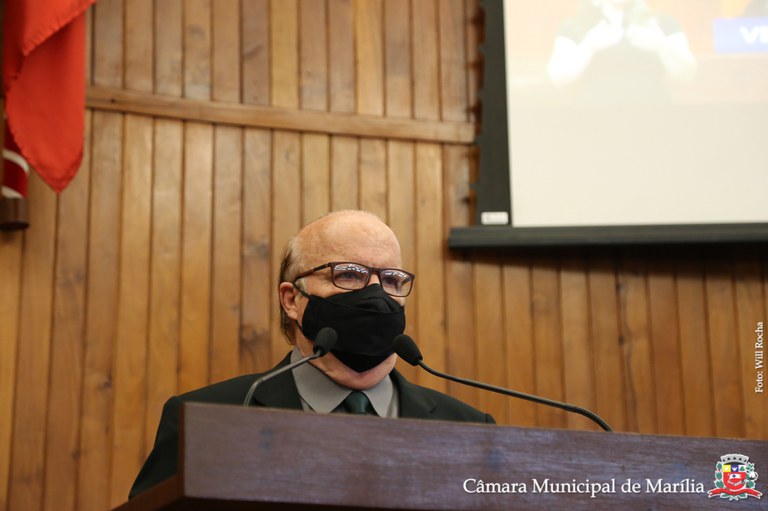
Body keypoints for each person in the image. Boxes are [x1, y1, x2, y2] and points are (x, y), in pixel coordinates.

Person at [129, 209, 494, 498]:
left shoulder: (470, 430)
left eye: (391, 279)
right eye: (348, 274)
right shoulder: (205, 422)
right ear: (292, 300)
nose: (375, 294)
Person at [546, 0, 697, 102]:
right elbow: (558, 78)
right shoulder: (575, 26)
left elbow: (688, 74)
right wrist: (588, 46)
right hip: (595, 117)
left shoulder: (662, 23)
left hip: (652, 114)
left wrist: (661, 45)